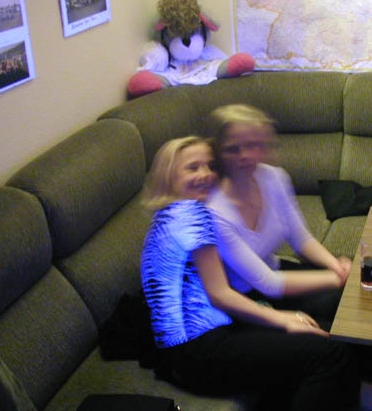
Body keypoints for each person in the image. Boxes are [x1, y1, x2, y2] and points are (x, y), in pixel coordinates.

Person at [140, 136, 360, 410]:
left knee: (324, 329)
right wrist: (283, 319)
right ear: (168, 176)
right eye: (192, 168)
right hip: (199, 352)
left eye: (210, 166)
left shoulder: (168, 214)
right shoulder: (191, 217)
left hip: (198, 341)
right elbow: (220, 294)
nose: (205, 174)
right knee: (331, 352)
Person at [205, 104, 352, 331]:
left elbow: (300, 238)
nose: (245, 156)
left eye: (252, 145)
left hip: (275, 271)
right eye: (233, 149)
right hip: (247, 298)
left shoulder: (274, 177)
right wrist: (339, 278)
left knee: (354, 301)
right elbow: (268, 284)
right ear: (217, 153)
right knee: (331, 326)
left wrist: (336, 266)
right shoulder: (214, 211)